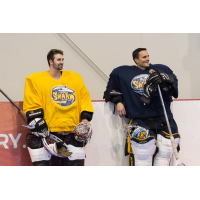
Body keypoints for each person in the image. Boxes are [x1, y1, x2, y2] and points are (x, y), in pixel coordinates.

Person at [103, 48, 182, 166]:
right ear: (136, 59)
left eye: (148, 56)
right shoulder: (123, 72)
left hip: (163, 118)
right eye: (144, 57)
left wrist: (166, 83)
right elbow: (111, 89)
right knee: (142, 154)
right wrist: (118, 101)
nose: (148, 59)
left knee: (165, 152)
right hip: (140, 118)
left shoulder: (162, 69)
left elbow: (172, 91)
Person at [23, 49, 94, 166]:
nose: (62, 62)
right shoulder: (35, 80)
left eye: (62, 59)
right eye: (58, 59)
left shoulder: (75, 78)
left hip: (71, 130)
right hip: (49, 132)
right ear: (51, 61)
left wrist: (85, 118)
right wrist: (37, 120)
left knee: (76, 164)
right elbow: (32, 102)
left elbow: (84, 98)